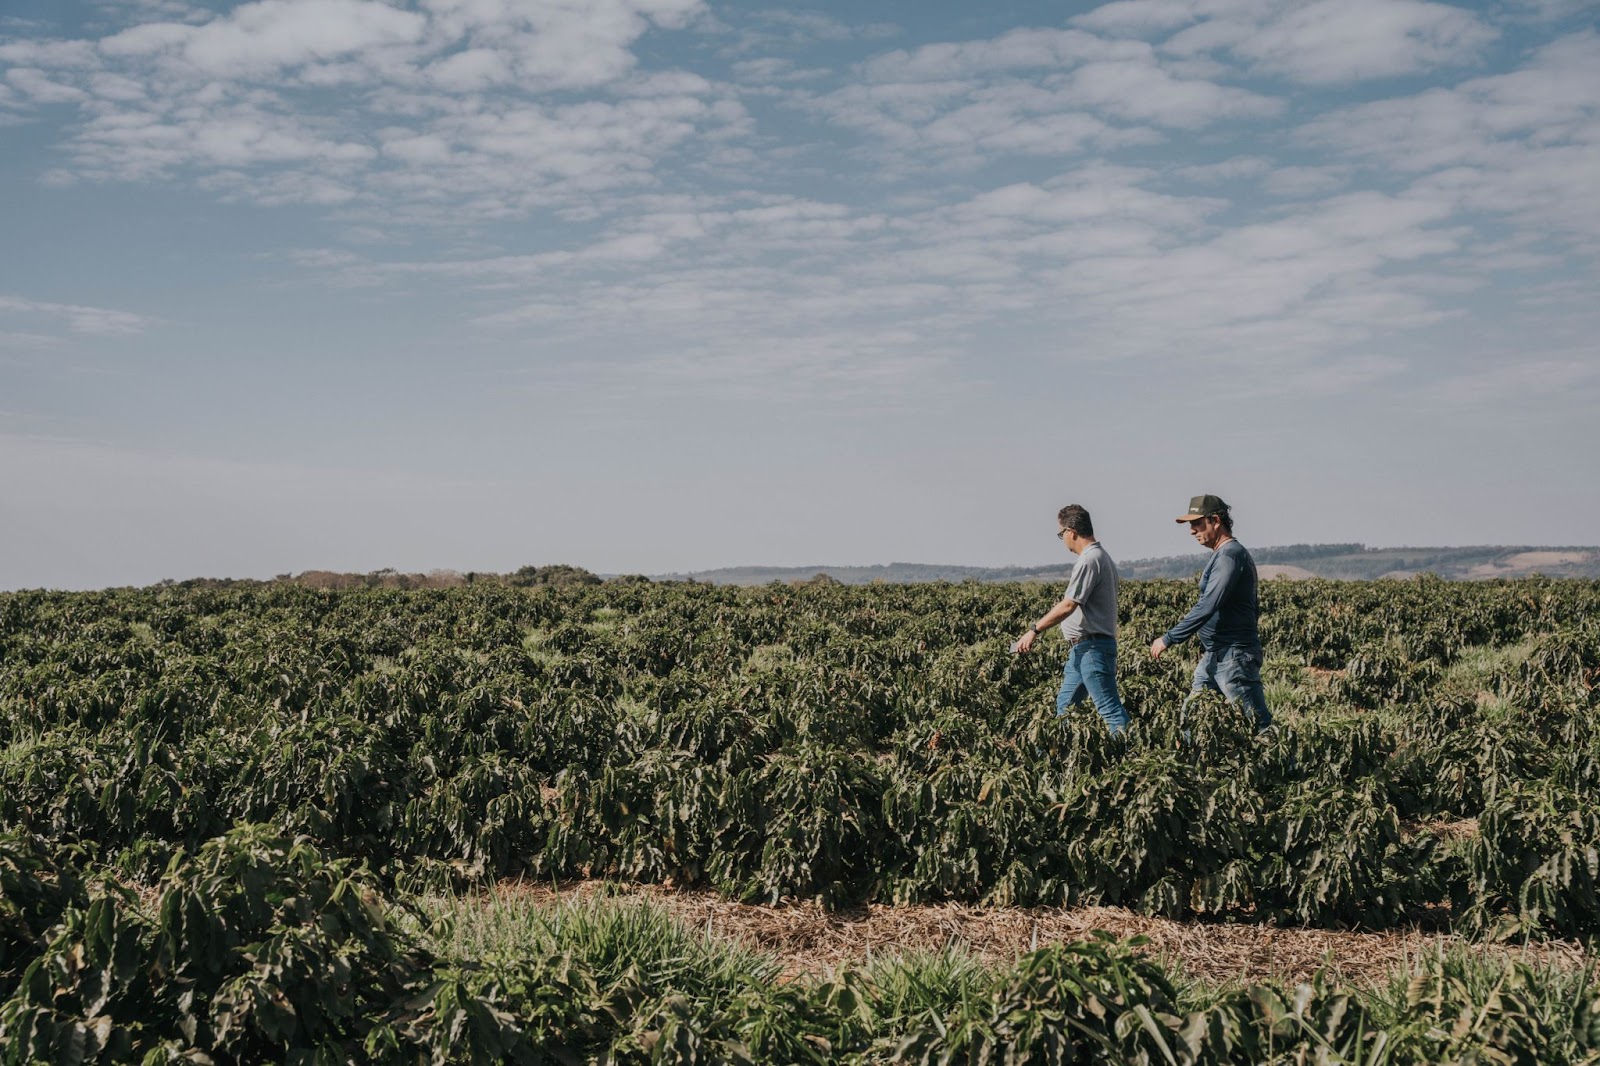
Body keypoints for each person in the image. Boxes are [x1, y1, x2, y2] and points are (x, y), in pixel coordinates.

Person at [1149, 494, 1273, 733]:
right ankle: (1191, 767)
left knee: (1256, 724)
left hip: (1233, 655)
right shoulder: (1223, 555)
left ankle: (1286, 769)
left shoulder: (1229, 555)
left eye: (1197, 524)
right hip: (1216, 654)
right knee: (1192, 718)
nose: (1192, 531)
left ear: (1215, 520)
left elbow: (1208, 604)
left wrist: (1169, 638)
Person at [1014, 504, 1130, 736]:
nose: (1063, 539)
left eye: (1061, 534)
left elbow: (1069, 604)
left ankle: (1132, 759)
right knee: (1065, 708)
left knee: (1110, 710)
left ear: (1071, 532)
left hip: (1092, 648)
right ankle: (1058, 759)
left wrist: (1034, 630)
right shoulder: (1101, 557)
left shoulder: (1090, 559)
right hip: (1085, 649)